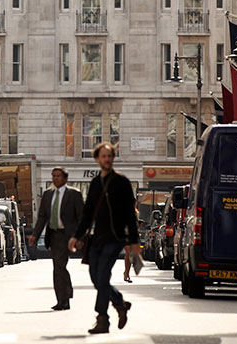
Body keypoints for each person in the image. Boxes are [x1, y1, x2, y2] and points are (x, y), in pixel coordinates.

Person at [69, 142, 141, 334]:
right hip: (97, 238)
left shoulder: (122, 182)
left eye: (110, 156)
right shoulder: (94, 184)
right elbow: (87, 214)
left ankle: (102, 319)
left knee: (103, 276)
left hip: (116, 238)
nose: (107, 159)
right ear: (97, 159)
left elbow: (129, 215)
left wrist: (134, 241)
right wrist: (76, 236)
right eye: (103, 156)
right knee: (96, 278)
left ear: (113, 158)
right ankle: (120, 303)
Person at [29, 167, 84, 311]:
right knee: (58, 267)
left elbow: (81, 218)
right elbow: (42, 217)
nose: (55, 178)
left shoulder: (74, 194)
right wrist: (35, 235)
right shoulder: (48, 195)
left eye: (58, 176)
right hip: (53, 235)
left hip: (68, 236)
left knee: (59, 265)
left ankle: (64, 298)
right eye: (53, 176)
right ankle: (63, 298)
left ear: (65, 178)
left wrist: (79, 237)